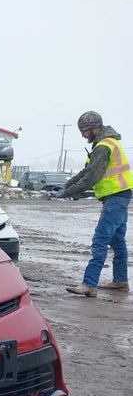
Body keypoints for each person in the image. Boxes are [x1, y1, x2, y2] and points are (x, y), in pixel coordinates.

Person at [54, 111, 131, 296]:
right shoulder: (105, 143)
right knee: (117, 242)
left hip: (115, 198)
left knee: (100, 240)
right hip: (120, 197)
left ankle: (89, 284)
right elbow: (86, 171)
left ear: (95, 128)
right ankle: (121, 281)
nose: (83, 135)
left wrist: (67, 193)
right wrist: (66, 185)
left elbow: (91, 177)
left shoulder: (104, 146)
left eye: (85, 131)